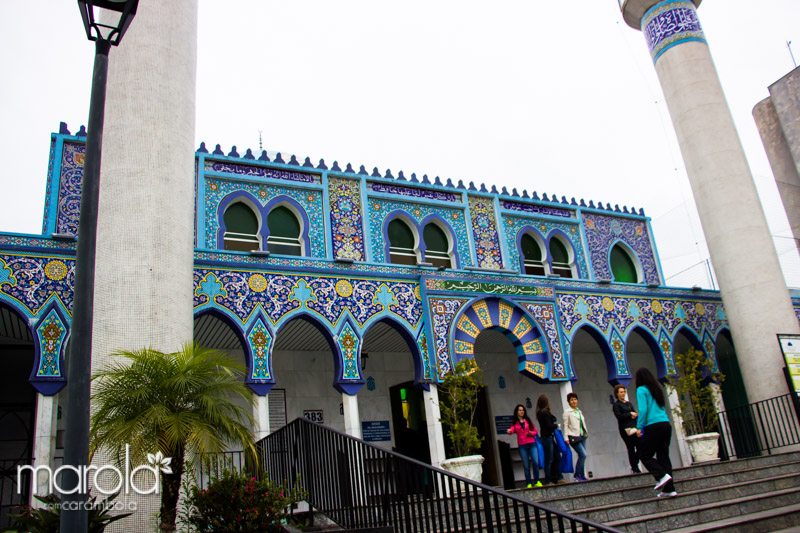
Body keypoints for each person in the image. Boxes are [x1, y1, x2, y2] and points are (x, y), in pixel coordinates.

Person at [635, 367, 678, 498]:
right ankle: (669, 489)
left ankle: (661, 475)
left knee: (644, 455)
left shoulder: (641, 390)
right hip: (665, 425)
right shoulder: (656, 389)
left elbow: (643, 410)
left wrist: (638, 427)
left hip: (653, 426)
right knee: (663, 456)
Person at [506, 404, 541, 488]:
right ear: (516, 412)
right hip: (522, 445)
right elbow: (512, 430)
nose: (521, 411)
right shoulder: (515, 423)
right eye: (520, 410)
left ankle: (537, 481)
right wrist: (509, 431)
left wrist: (530, 433)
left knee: (535, 462)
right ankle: (528, 482)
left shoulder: (528, 420)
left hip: (531, 443)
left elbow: (535, 431)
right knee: (526, 465)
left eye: (522, 410)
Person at [535, 395, 566, 485]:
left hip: (545, 437)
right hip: (548, 437)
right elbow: (549, 425)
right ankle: (551, 479)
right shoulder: (546, 412)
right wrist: (556, 425)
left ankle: (557, 477)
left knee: (553, 458)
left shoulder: (539, 413)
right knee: (552, 458)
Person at [612, 384, 641, 474]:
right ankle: (635, 467)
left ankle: (635, 462)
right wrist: (629, 414)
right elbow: (619, 416)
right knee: (631, 447)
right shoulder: (617, 405)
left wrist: (634, 415)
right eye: (621, 392)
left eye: (624, 392)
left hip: (634, 427)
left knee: (640, 446)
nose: (623, 394)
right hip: (626, 429)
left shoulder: (629, 404)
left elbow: (635, 413)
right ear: (617, 394)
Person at [563, 392, 589, 481]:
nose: (574, 401)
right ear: (569, 402)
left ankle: (582, 475)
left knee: (582, 455)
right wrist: (565, 437)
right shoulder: (567, 412)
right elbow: (565, 425)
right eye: (571, 400)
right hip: (573, 436)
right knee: (583, 454)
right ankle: (577, 474)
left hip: (582, 435)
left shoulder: (579, 411)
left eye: (575, 399)